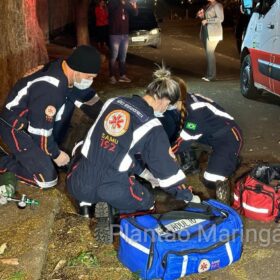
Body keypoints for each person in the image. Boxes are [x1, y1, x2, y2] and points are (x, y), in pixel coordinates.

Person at [67, 67, 200, 240]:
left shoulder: (113, 102)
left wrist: (144, 173)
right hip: (111, 187)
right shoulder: (152, 126)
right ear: (164, 100)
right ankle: (126, 230)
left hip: (78, 182)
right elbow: (167, 171)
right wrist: (187, 195)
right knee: (147, 201)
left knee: (101, 155)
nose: (165, 109)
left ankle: (88, 207)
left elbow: (113, 149)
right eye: (167, 106)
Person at [0, 45, 103, 189]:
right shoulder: (51, 89)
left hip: (34, 122)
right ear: (78, 71)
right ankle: (3, 161)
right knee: (47, 178)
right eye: (89, 77)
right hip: (15, 127)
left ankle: (33, 157)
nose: (90, 80)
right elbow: (40, 132)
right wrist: (55, 154)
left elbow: (87, 97)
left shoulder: (66, 69)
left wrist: (108, 115)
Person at [160, 77, 243, 204]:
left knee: (211, 178)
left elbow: (181, 143)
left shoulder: (195, 114)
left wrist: (162, 155)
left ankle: (225, 207)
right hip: (212, 135)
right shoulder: (185, 100)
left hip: (229, 138)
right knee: (180, 139)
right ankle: (220, 162)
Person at [107, 0, 138, 84]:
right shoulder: (113, 2)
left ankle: (122, 76)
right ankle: (112, 76)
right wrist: (122, 3)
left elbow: (135, 14)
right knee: (114, 56)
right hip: (115, 34)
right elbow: (110, 10)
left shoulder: (127, 4)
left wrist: (134, 5)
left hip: (125, 34)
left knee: (123, 57)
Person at [197, 0, 224, 82]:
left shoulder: (218, 5)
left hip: (213, 33)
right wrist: (201, 16)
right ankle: (208, 74)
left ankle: (212, 76)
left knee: (210, 54)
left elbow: (221, 18)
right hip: (206, 31)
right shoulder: (209, 5)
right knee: (208, 54)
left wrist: (207, 21)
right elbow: (207, 18)